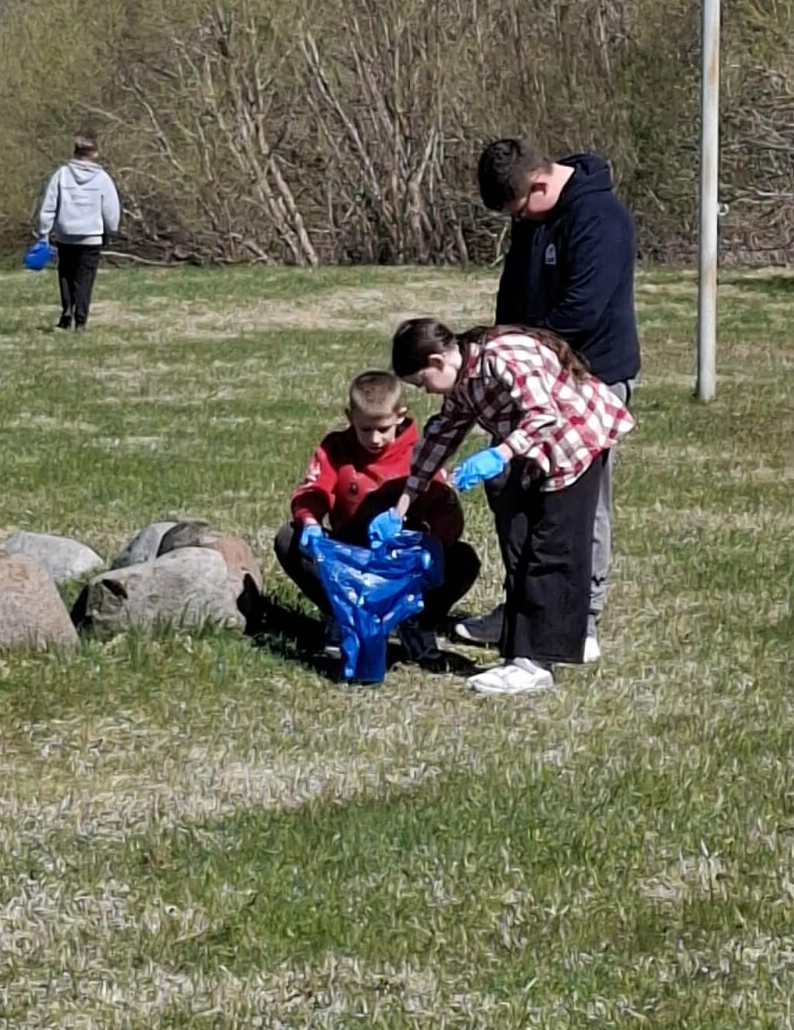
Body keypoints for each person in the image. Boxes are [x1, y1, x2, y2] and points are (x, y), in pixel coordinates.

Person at [457, 137, 641, 661]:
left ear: (539, 184)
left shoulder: (601, 220)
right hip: (528, 377)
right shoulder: (531, 221)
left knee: (578, 503)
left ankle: (581, 618)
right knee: (512, 491)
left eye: (519, 209)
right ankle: (523, 608)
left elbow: (581, 311)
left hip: (590, 379)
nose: (518, 221)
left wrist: (519, 349)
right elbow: (512, 296)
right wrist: (500, 349)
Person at [382, 317, 634, 696]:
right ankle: (526, 649)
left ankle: (535, 663)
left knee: (549, 550)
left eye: (422, 382)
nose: (427, 391)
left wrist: (499, 455)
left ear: (437, 361)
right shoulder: (464, 380)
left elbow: (544, 414)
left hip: (575, 444)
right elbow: (440, 436)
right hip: (535, 453)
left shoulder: (502, 355)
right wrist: (400, 507)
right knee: (520, 542)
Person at [274, 369, 481, 670]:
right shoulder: (336, 448)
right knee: (289, 538)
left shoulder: (420, 452)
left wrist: (436, 543)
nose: (374, 438)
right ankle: (342, 614)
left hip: (403, 564)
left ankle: (416, 622)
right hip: (348, 559)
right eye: (365, 429)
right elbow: (314, 490)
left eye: (383, 429)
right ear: (350, 417)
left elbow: (443, 506)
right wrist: (310, 521)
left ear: (400, 416)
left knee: (463, 559)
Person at [36, 132, 121, 331]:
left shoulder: (61, 174)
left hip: (66, 235)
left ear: (75, 151)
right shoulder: (102, 178)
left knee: (66, 274)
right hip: (91, 237)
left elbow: (49, 205)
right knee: (85, 278)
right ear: (95, 153)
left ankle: (67, 311)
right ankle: (80, 320)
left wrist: (44, 231)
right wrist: (111, 229)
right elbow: (111, 209)